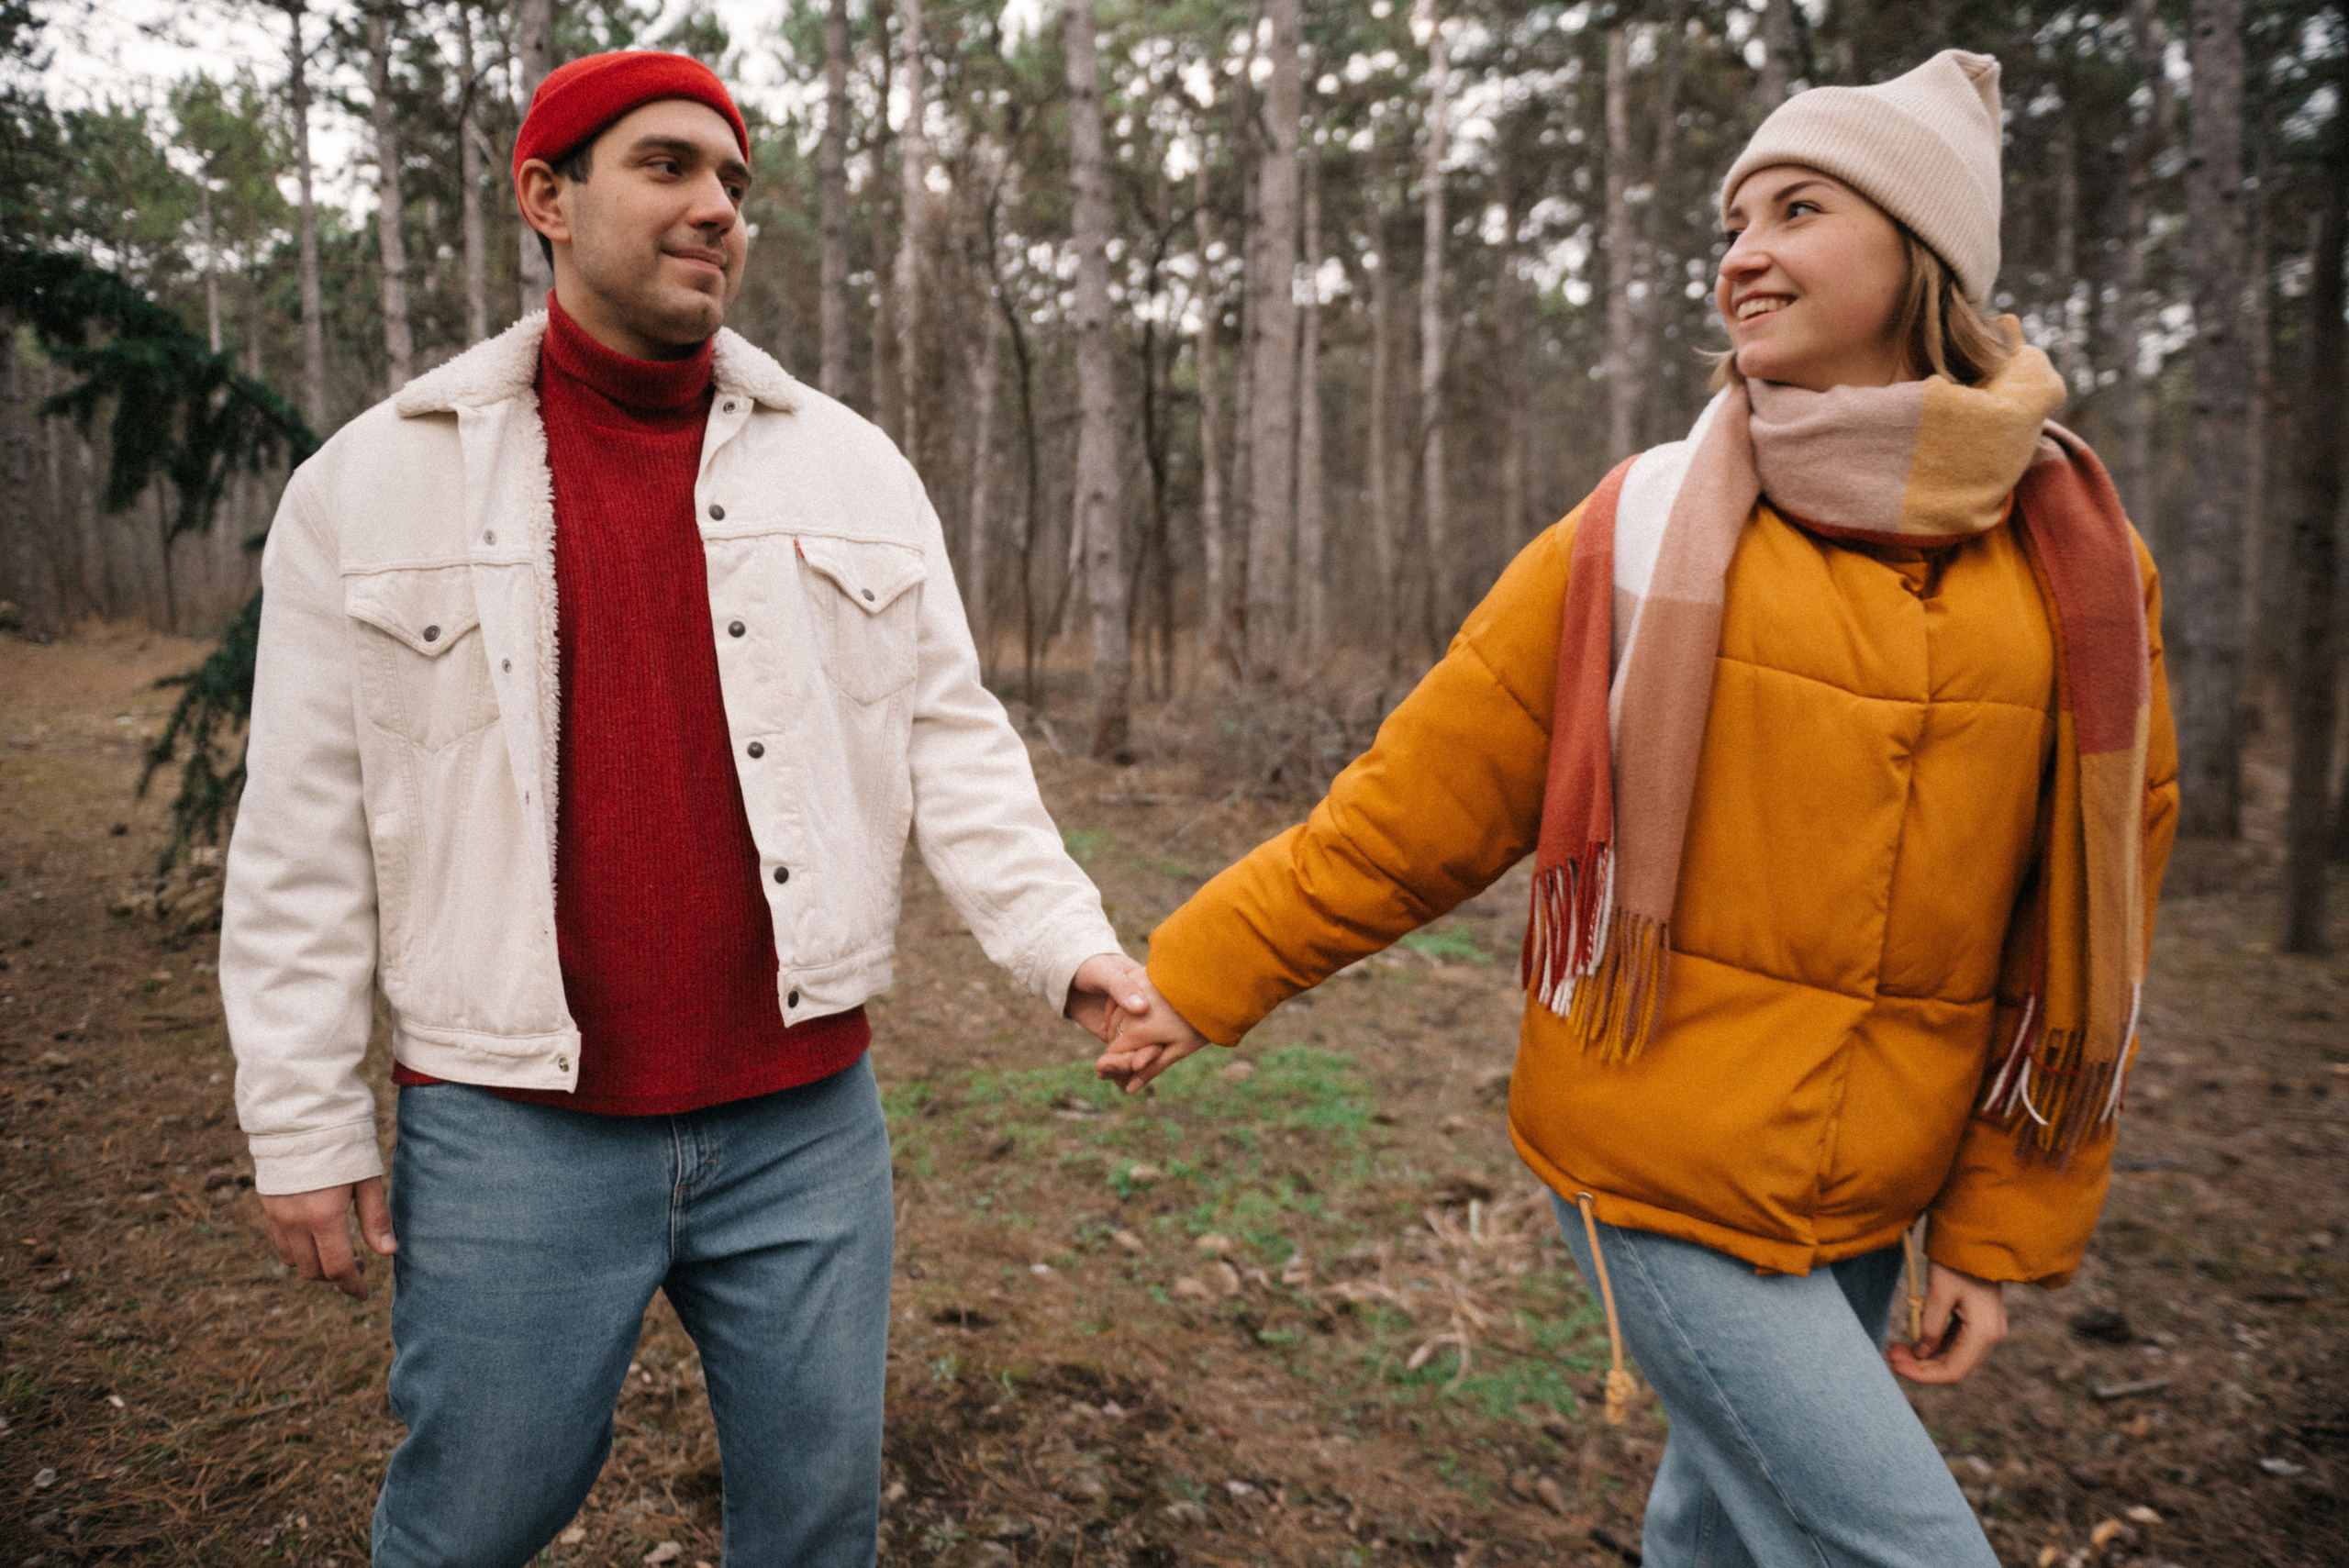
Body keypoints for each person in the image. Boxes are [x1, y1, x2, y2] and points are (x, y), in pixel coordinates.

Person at [1097, 50, 2176, 1568]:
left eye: (1796, 210)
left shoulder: (2081, 570)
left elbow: (2068, 944)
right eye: (1733, 224)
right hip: (1658, 1163)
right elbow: (1411, 812)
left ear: (1923, 250)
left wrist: (1994, 1234)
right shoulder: (1645, 529)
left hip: (1881, 1184)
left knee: (1719, 1543)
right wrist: (1201, 975)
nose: (1743, 254)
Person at [219, 50, 1149, 1567]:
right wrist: (301, 1118)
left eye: (734, 181)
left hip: (803, 1121)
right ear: (546, 196)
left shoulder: (853, 468)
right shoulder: (371, 486)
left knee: (816, 1523)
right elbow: (302, 838)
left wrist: (1067, 943)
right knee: (470, 1522)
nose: (718, 206)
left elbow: (952, 737)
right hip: (512, 1127)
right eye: (667, 166)